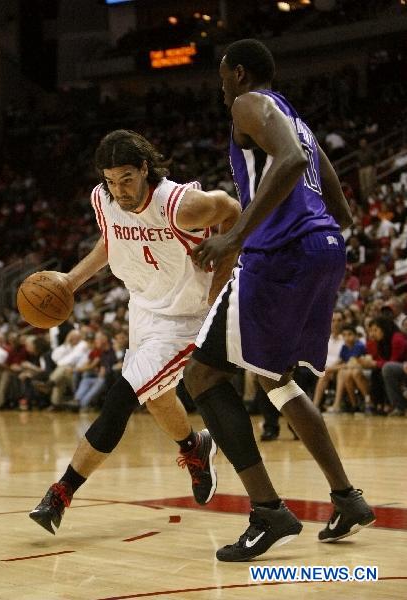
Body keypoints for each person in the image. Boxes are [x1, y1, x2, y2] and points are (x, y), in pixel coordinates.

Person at [183, 39, 375, 562]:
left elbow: (287, 161)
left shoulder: (249, 104)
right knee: (275, 379)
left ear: (239, 73)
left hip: (282, 255)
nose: (220, 85)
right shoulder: (302, 123)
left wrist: (236, 236)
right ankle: (347, 498)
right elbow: (339, 204)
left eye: (222, 75)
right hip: (322, 250)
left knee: (200, 377)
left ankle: (267, 510)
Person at [30, 129, 240, 534]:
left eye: (126, 178)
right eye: (110, 180)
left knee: (121, 397)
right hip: (143, 308)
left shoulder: (181, 205)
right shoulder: (103, 200)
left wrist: (221, 280)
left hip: (185, 317)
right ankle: (195, 447)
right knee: (157, 398)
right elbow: (112, 242)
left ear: (145, 168)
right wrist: (72, 281)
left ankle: (60, 493)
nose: (119, 190)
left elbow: (232, 209)